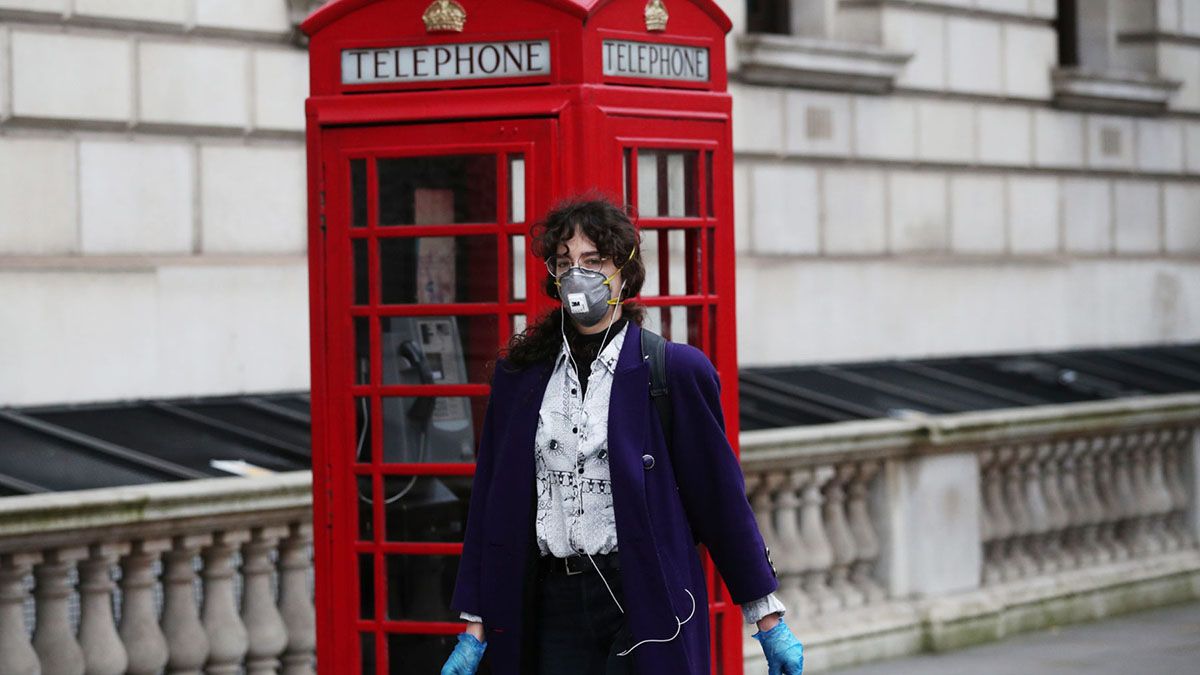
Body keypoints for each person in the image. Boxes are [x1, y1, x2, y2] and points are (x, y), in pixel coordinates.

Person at [441, 195, 804, 675]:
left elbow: (720, 501)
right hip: (550, 603)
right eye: (565, 262)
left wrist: (767, 618)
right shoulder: (522, 376)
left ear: (624, 270)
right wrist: (474, 624)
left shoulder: (673, 371)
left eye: (594, 261)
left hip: (645, 600)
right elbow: (491, 505)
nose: (578, 275)